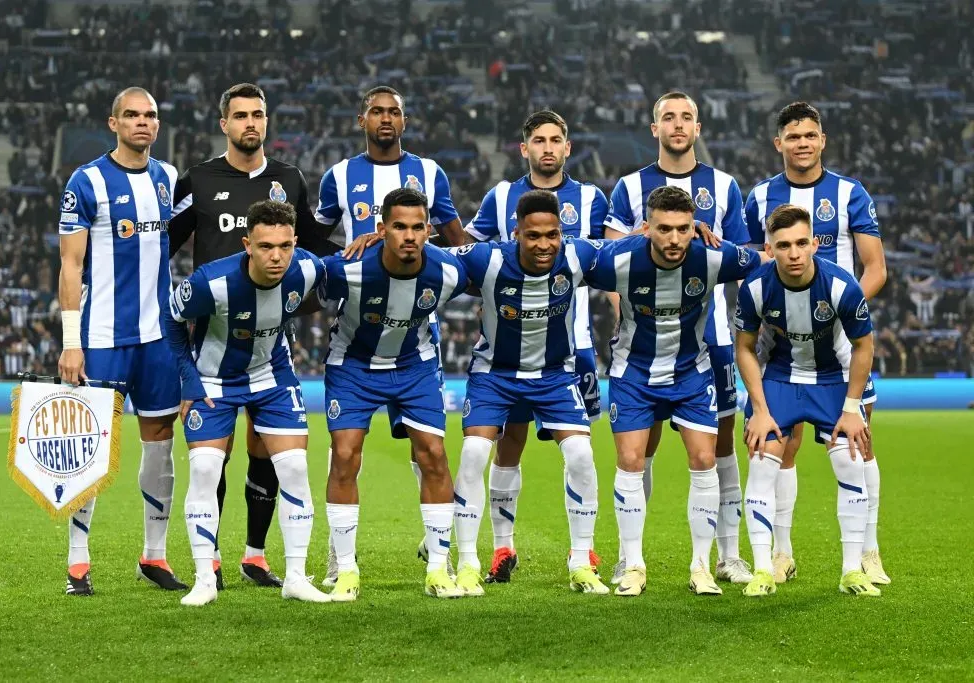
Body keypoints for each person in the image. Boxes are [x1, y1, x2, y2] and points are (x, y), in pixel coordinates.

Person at [167, 83, 337, 590]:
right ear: (224, 123)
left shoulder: (289, 178)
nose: (250, 123)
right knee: (212, 457)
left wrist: (362, 249)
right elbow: (163, 245)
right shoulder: (198, 179)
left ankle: (256, 555)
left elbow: (313, 244)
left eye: (257, 115)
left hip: (268, 337)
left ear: (266, 121)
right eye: (240, 115)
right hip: (213, 335)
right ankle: (211, 559)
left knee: (267, 452)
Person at [314, 85, 466, 586]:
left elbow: (457, 240)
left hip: (415, 337)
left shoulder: (430, 173)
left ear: (405, 120)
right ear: (362, 120)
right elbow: (315, 242)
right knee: (344, 454)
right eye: (377, 111)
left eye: (394, 112)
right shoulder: (339, 175)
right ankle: (340, 558)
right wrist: (353, 250)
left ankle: (439, 553)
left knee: (431, 452)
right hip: (358, 326)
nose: (385, 119)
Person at [604, 91, 753, 586]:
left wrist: (705, 239)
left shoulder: (724, 186)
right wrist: (627, 312)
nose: (677, 124)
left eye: (686, 116)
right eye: (668, 117)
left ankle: (727, 555)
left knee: (720, 448)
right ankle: (629, 556)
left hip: (711, 342)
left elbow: (741, 258)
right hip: (642, 341)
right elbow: (610, 258)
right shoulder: (629, 186)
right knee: (638, 449)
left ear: (698, 127)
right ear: (655, 129)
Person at [585, 186, 760, 597]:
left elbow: (764, 262)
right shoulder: (618, 259)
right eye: (664, 229)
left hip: (692, 373)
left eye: (684, 228)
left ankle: (702, 566)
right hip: (634, 374)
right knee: (631, 461)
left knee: (704, 460)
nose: (675, 238)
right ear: (647, 228)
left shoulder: (713, 256)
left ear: (694, 227)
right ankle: (632, 564)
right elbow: (569, 260)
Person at [460, 109, 608, 583]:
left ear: (567, 146)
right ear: (524, 149)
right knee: (510, 445)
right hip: (506, 345)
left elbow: (611, 256)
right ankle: (500, 547)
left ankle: (584, 551)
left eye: (555, 140)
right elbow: (469, 252)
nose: (548, 148)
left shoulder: (592, 198)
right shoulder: (501, 195)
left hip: (571, 346)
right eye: (538, 140)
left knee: (583, 451)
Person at [744, 101, 889, 586]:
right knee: (780, 447)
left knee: (859, 445)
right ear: (778, 143)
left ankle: (868, 552)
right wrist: (782, 311)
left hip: (842, 341)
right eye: (793, 136)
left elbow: (875, 268)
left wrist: (837, 309)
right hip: (781, 343)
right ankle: (780, 554)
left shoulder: (850, 193)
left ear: (822, 140)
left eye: (810, 135)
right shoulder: (760, 196)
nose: (802, 143)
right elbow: (751, 263)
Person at [56, 87, 184, 595]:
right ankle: (77, 562)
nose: (142, 122)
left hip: (158, 339)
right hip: (102, 337)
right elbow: (70, 265)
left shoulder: (169, 177)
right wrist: (71, 341)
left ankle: (154, 555)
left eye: (150, 115)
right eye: (131, 115)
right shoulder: (86, 181)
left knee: (161, 442)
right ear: (113, 123)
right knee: (89, 447)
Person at [736, 204, 879, 597]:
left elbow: (864, 347)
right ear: (770, 249)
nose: (794, 253)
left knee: (851, 463)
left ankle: (852, 571)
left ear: (815, 244)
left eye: (802, 243)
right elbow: (744, 348)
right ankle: (763, 570)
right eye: (784, 245)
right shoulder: (755, 287)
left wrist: (851, 409)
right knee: (761, 463)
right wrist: (759, 410)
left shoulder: (842, 286)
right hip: (779, 378)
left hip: (832, 379)